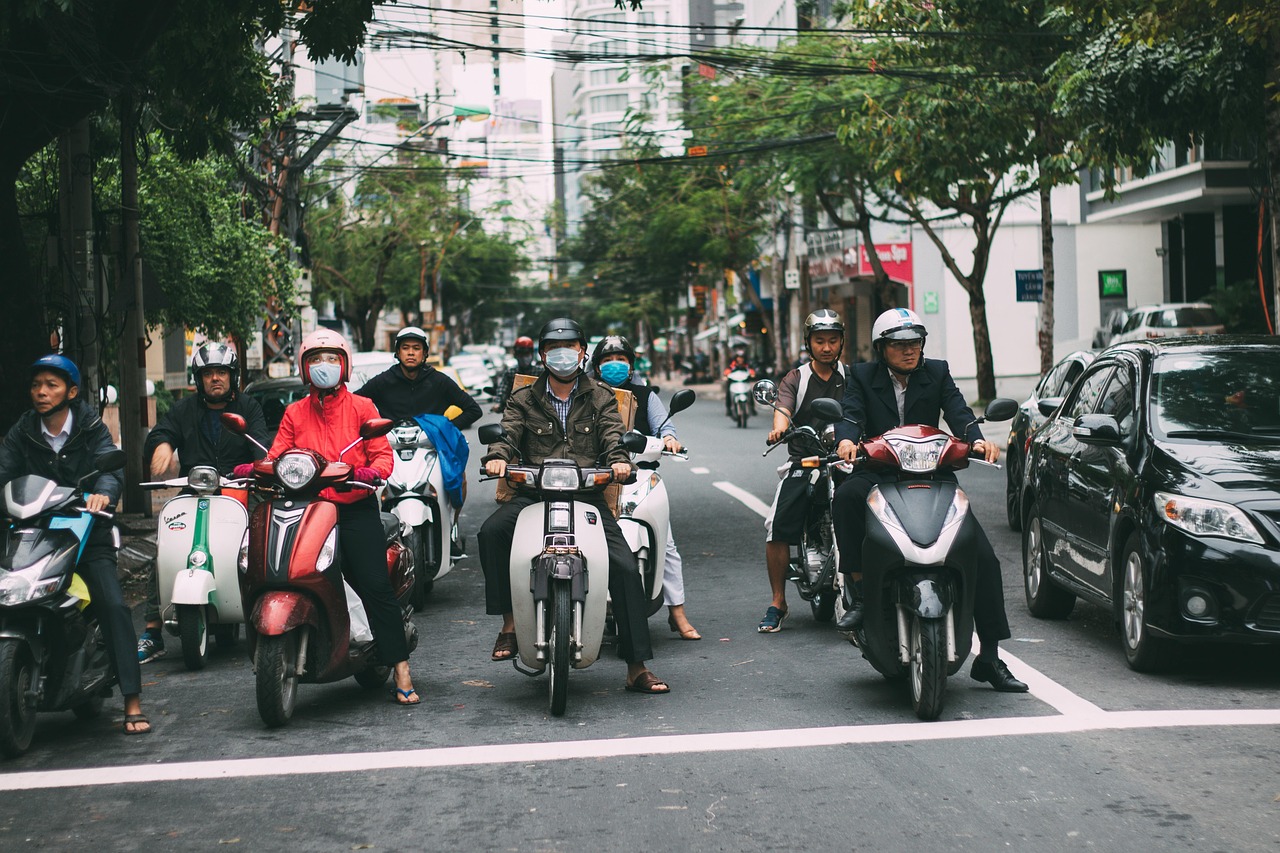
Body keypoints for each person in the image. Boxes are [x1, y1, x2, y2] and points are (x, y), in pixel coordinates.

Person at [831, 308, 1027, 693]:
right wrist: (847, 439)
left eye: (915, 343)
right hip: (879, 470)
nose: (910, 352)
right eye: (900, 345)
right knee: (846, 496)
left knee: (981, 554)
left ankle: (989, 656)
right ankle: (858, 589)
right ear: (882, 347)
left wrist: (976, 439)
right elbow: (851, 414)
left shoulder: (936, 371)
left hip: (931, 473)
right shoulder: (861, 375)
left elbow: (958, 410)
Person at [477, 317, 670, 694]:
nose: (562, 355)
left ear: (583, 353)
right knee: (491, 532)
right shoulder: (523, 397)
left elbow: (613, 436)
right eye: (553, 349)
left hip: (587, 497)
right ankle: (509, 625)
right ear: (543, 354)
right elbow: (508, 434)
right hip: (533, 494)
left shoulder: (601, 397)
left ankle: (636, 666)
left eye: (570, 348)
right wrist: (497, 457)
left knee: (626, 567)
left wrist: (619, 462)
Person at [243, 329, 421, 705]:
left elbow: (382, 456)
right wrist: (257, 467)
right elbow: (277, 455)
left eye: (331, 359)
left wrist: (372, 472)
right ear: (305, 368)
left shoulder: (362, 408)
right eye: (315, 360)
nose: (323, 366)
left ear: (344, 365)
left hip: (353, 507)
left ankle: (400, 666)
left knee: (373, 583)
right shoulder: (294, 412)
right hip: (305, 508)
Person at [0, 356, 150, 733]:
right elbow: (4, 469)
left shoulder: (88, 426)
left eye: (51, 384)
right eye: (36, 385)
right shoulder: (23, 430)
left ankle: (132, 700)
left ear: (71, 391)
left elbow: (110, 468)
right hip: (33, 532)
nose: (41, 392)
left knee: (113, 604)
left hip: (86, 531)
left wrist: (103, 494)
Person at [137, 342, 268, 663]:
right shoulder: (184, 410)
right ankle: (153, 630)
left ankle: (263, 610)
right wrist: (163, 445)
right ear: (199, 378)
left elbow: (261, 445)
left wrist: (256, 467)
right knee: (164, 545)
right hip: (192, 494)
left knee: (261, 542)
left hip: (239, 491)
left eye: (221, 372)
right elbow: (161, 432)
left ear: (232, 375)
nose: (215, 379)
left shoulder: (248, 407)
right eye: (208, 373)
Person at [591, 335, 700, 641]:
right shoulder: (587, 393)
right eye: (607, 360)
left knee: (666, 544)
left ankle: (676, 611)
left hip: (640, 477)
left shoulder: (644, 393)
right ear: (596, 366)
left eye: (621, 360)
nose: (615, 365)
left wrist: (669, 439)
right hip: (597, 478)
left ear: (631, 365)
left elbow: (664, 426)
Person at [757, 309, 848, 633]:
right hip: (806, 461)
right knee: (777, 525)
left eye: (832, 340)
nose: (826, 347)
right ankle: (778, 602)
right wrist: (778, 429)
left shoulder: (850, 376)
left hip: (845, 459)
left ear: (841, 342)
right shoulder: (796, 378)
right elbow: (783, 408)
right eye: (819, 341)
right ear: (809, 343)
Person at [355, 326, 480, 556]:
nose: (411, 353)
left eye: (416, 348)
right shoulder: (383, 381)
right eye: (405, 348)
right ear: (397, 353)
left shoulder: (440, 381)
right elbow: (354, 405)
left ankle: (450, 527)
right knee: (367, 485)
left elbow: (473, 409)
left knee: (457, 479)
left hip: (432, 449)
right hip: (389, 449)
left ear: (425, 353)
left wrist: (445, 429)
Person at [492, 335, 543, 413]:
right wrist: (498, 403)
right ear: (516, 355)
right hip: (515, 411)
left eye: (526, 354)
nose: (523, 358)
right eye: (520, 354)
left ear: (532, 354)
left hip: (537, 411)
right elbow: (502, 389)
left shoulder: (540, 372)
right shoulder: (510, 373)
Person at [723, 346, 756, 417]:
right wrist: (726, 376)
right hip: (734, 382)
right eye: (739, 357)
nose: (740, 359)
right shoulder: (733, 366)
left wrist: (752, 374)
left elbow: (751, 371)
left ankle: (752, 408)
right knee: (728, 393)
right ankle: (728, 408)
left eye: (742, 358)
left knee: (750, 393)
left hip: (744, 383)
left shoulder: (746, 366)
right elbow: (727, 371)